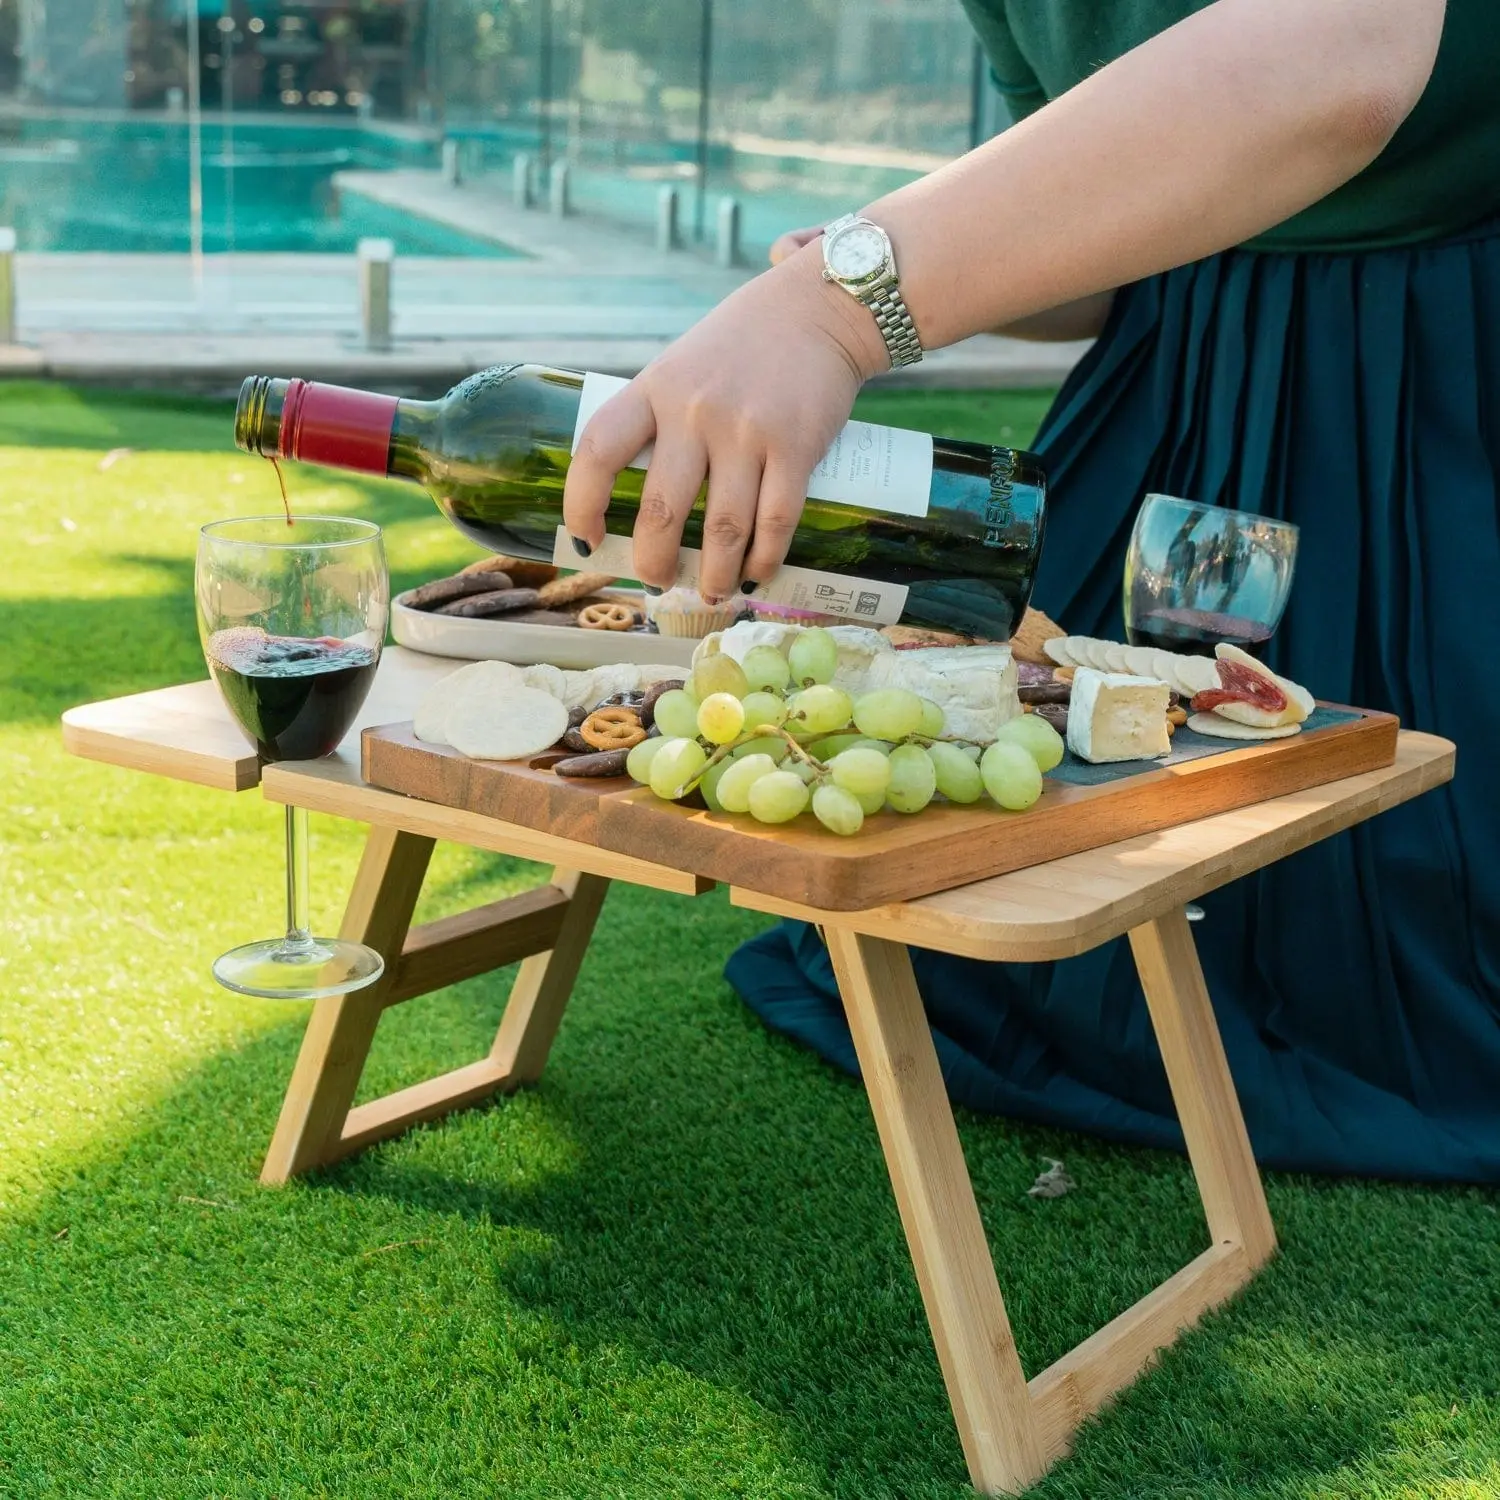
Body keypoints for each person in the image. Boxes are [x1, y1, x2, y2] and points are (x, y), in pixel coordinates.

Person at [563, 0, 1500, 1182]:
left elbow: (1344, 63)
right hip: (1183, 382)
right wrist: (885, 250)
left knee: (1386, 863)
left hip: (1443, 375)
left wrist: (836, 308)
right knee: (1107, 748)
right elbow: (1104, 266)